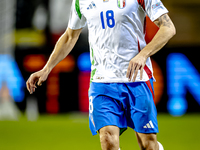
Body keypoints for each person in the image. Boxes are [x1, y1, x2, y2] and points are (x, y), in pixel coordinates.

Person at [26, 0, 176, 149]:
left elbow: (168, 28)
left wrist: (143, 55)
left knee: (148, 144)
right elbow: (70, 36)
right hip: (102, 82)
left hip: (137, 79)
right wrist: (46, 68)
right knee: (107, 140)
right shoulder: (81, 2)